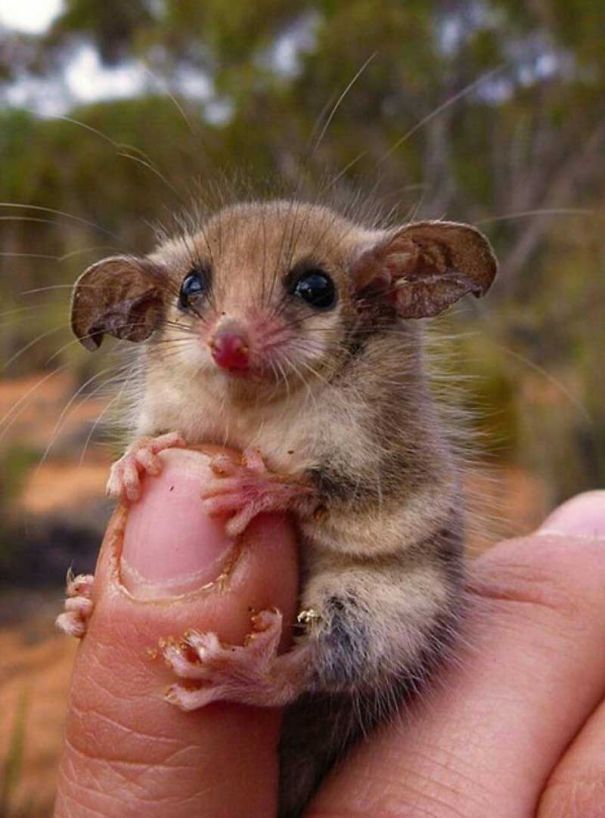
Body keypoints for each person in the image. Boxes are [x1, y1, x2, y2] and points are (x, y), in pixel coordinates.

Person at [53, 449, 605, 817]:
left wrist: (295, 493)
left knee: (341, 622)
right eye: (196, 292)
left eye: (311, 291)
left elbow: (398, 505)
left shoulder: (371, 405)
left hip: (342, 625)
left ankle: (284, 671)